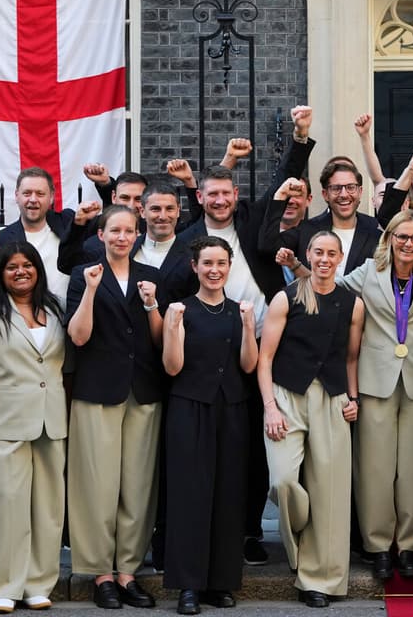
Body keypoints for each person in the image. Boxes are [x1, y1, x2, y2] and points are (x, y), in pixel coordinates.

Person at [176, 105, 317, 564]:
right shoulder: (188, 238)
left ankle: (250, 531)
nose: (219, 201)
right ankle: (210, 531)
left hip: (265, 352)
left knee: (259, 448)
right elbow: (167, 290)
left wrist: (300, 135)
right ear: (200, 198)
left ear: (235, 195)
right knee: (220, 448)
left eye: (226, 194)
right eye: (211, 195)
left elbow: (283, 177)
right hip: (209, 357)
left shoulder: (254, 221)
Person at [65, 205, 166, 610]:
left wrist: (151, 304)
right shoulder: (83, 275)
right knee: (96, 483)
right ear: (101, 235)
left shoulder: (151, 278)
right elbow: (78, 336)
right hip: (97, 391)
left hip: (142, 390)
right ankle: (100, 573)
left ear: (138, 235)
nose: (122, 237)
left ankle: (127, 571)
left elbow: (159, 340)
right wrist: (90, 290)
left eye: (129, 231)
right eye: (115, 231)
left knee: (138, 485)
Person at [0, 243, 68, 614]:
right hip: (3, 422)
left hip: (50, 421)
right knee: (5, 506)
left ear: (38, 269)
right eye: (12, 267)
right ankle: (3, 586)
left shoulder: (55, 308)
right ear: (0, 273)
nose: (21, 272)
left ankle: (38, 583)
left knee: (47, 508)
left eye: (27, 266)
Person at [258, 232, 365, 608]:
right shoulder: (286, 298)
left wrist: (353, 399)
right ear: (308, 255)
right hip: (287, 397)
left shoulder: (353, 304)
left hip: (333, 399)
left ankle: (320, 580)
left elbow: (351, 359)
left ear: (340, 258)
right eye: (318, 252)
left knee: (331, 495)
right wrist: (270, 407)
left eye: (331, 253)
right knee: (284, 481)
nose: (324, 259)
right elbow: (265, 359)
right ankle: (300, 545)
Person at [340, 210, 413, 581]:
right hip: (374, 380)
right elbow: (330, 288)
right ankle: (379, 545)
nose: (408, 244)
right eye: (402, 236)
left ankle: (412, 545)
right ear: (390, 238)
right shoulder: (369, 271)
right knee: (375, 468)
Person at [161, 237, 259, 613]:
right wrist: (171, 328)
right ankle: (188, 585)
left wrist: (249, 326)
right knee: (190, 494)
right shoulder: (182, 310)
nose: (214, 270)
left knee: (228, 493)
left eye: (221, 263)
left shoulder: (239, 311)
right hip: (190, 407)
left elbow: (248, 366)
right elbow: (172, 367)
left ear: (229, 266)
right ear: (195, 267)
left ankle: (220, 582)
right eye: (207, 264)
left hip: (232, 407)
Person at [265, 160, 381, 277]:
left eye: (351, 187)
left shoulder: (375, 230)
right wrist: (280, 196)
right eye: (336, 188)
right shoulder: (307, 229)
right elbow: (268, 246)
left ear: (360, 191)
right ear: (325, 194)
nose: (344, 194)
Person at [0, 166, 94, 302]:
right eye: (27, 193)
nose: (33, 199)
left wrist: (105, 185)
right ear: (16, 196)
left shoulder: (69, 222)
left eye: (40, 194)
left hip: (72, 314)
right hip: (26, 317)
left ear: (52, 197)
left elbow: (109, 227)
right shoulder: (2, 239)